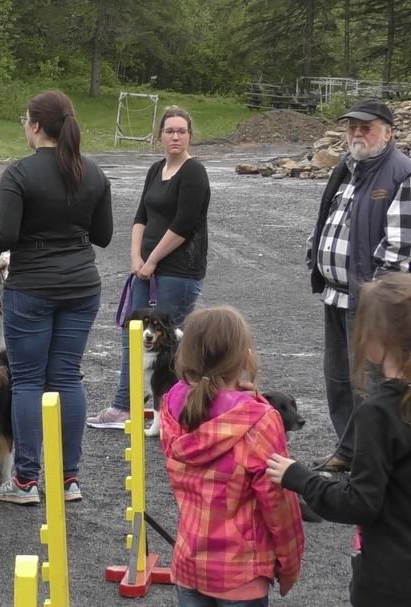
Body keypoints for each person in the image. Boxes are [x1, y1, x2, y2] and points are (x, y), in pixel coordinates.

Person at [0, 91, 113, 505]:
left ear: (36, 125)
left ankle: (25, 481)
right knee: (67, 378)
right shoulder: (93, 172)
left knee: (27, 381)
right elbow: (104, 235)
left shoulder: (19, 173)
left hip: (33, 287)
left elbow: (5, 235)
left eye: (25, 119)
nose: (24, 126)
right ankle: (68, 479)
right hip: (82, 285)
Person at [267, 272, 411, 607]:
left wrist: (300, 478)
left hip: (390, 579)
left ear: (376, 339)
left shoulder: (379, 412)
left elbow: (361, 501)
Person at [162, 306, 303, 606]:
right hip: (241, 571)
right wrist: (289, 564)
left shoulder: (173, 405)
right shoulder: (259, 420)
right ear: (244, 357)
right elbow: (278, 502)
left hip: (189, 561)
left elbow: (206, 401)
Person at [302, 98, 411, 473]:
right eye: (352, 127)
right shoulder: (348, 167)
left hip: (368, 301)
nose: (357, 134)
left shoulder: (401, 173)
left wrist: (377, 298)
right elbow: (327, 218)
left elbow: (400, 246)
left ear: (388, 133)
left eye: (366, 127)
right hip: (336, 294)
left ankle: (372, 462)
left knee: (369, 383)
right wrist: (315, 254)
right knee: (338, 378)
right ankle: (347, 451)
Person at [88, 106, 211, 430]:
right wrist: (135, 258)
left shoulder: (194, 172)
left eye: (181, 131)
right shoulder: (156, 169)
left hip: (178, 272)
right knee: (133, 336)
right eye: (169, 131)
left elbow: (183, 225)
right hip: (145, 270)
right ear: (160, 136)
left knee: (167, 347)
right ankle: (125, 406)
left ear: (190, 136)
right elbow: (141, 216)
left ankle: (173, 412)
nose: (175, 136)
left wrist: (153, 259)